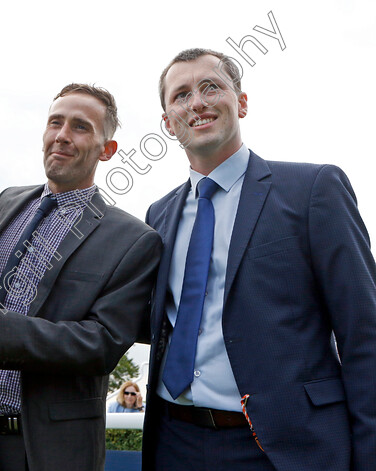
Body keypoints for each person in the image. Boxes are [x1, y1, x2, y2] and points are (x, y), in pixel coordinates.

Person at [142, 48, 376, 471]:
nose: (196, 102)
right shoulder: (158, 216)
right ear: (167, 122)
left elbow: (365, 334)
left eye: (211, 86)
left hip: (284, 449)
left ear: (242, 102)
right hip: (174, 442)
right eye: (180, 95)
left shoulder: (313, 190)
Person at [0, 83, 162, 471]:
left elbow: (102, 343)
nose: (62, 136)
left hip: (52, 452)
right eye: (55, 123)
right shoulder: (9, 201)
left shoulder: (134, 240)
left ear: (106, 150)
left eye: (80, 127)